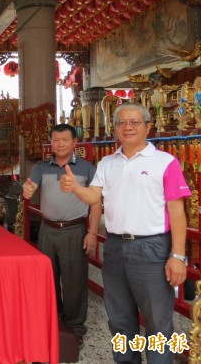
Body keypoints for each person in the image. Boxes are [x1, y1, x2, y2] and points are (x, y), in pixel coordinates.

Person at [60, 103, 190, 364]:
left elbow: (177, 212)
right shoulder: (107, 163)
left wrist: (178, 255)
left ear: (147, 127)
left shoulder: (165, 162)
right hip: (116, 247)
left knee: (157, 322)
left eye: (135, 122)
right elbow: (94, 196)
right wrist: (75, 187)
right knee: (119, 319)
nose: (128, 127)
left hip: (152, 248)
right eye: (122, 123)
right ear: (115, 128)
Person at [22, 123, 101, 348]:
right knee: (48, 279)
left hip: (74, 230)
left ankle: (75, 328)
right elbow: (31, 185)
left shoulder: (87, 168)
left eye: (65, 140)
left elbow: (96, 202)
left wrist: (93, 233)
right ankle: (53, 322)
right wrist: (27, 190)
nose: (60, 144)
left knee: (74, 281)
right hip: (47, 230)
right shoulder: (41, 167)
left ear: (75, 143)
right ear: (51, 143)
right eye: (55, 140)